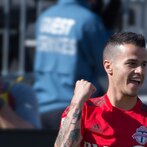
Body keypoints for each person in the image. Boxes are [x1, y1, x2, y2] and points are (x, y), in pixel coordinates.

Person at [33, 0, 110, 130]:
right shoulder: (89, 20)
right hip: (77, 106)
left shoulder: (45, 17)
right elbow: (106, 64)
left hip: (41, 104)